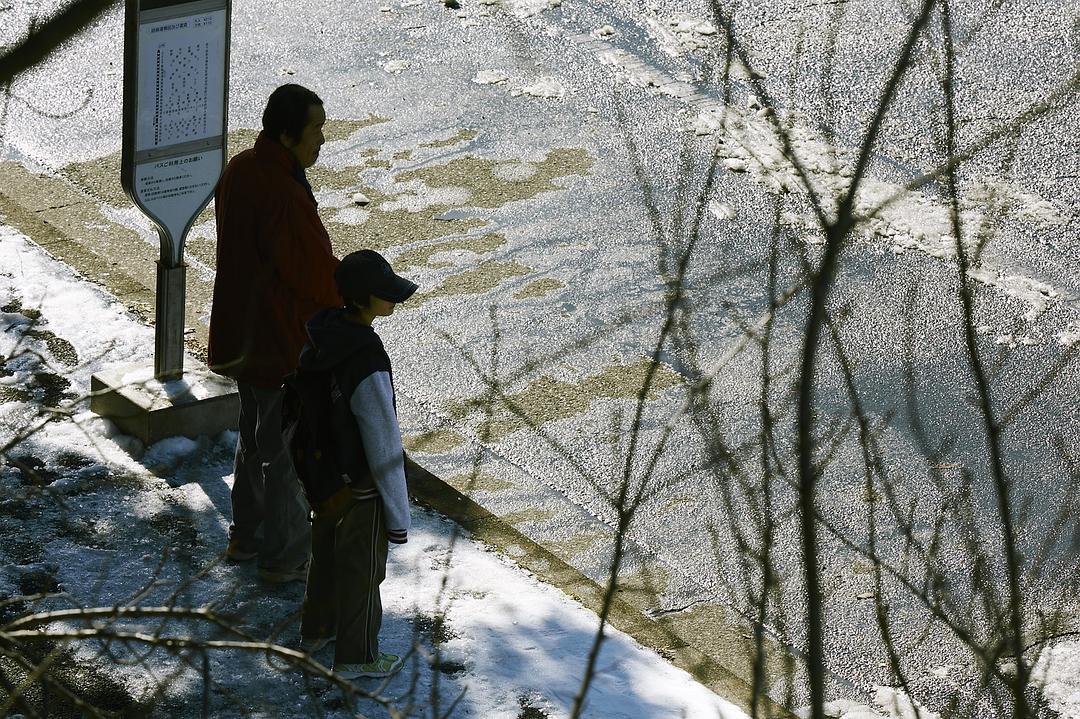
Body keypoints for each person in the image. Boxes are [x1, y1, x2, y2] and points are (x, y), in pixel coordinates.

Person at [209, 84, 340, 582]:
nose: (322, 140)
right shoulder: (283, 192)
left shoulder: (241, 169)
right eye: (315, 129)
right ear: (288, 134)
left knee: (253, 436)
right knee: (286, 451)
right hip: (280, 338)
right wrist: (345, 298)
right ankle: (284, 557)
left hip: (241, 332)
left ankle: (247, 535)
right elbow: (308, 274)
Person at [297, 249, 416, 679]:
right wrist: (398, 515)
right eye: (384, 295)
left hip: (324, 475)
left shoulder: (323, 334)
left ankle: (316, 630)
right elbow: (383, 437)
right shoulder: (365, 356)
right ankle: (358, 656)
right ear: (363, 299)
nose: (393, 301)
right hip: (361, 487)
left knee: (325, 558)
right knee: (363, 574)